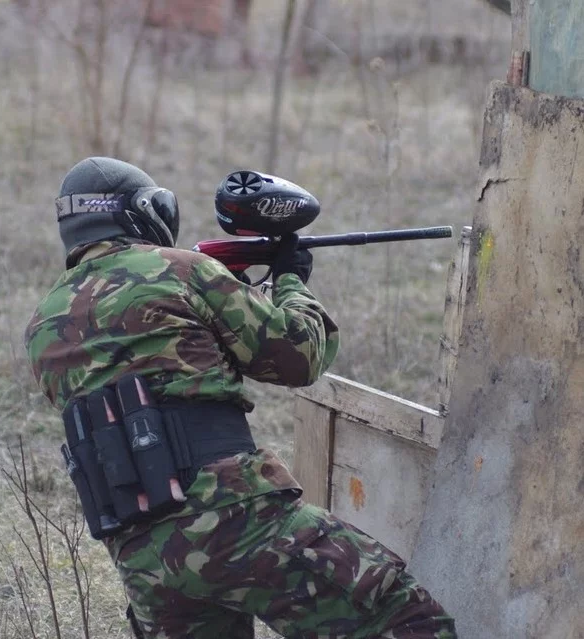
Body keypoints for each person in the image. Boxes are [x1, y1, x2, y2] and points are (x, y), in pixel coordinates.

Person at [24, 157, 456, 639]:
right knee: (405, 619)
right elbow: (300, 357)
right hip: (235, 518)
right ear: (142, 211)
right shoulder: (181, 270)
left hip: (142, 554)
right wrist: (290, 280)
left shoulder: (42, 325)